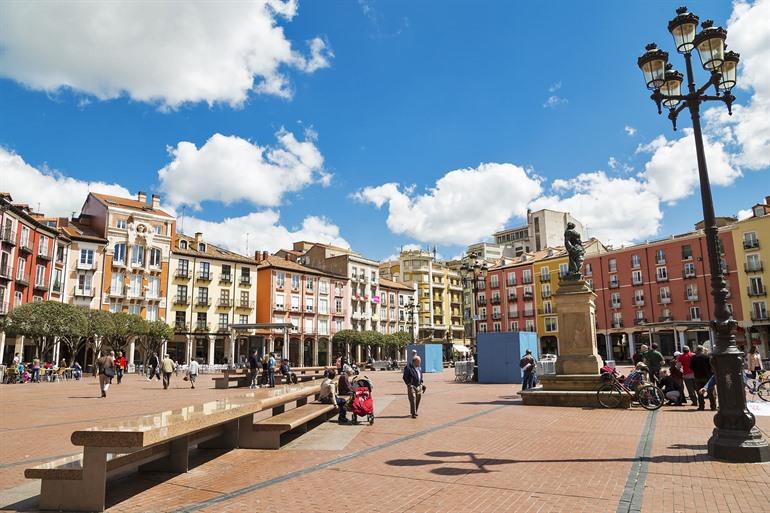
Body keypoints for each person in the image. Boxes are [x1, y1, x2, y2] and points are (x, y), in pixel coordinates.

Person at [691, 345, 715, 411]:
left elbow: (691, 367)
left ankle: (701, 406)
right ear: (702, 350)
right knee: (710, 392)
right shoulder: (707, 357)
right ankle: (713, 406)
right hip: (707, 377)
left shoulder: (694, 358)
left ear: (697, 350)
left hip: (697, 377)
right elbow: (711, 367)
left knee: (700, 393)